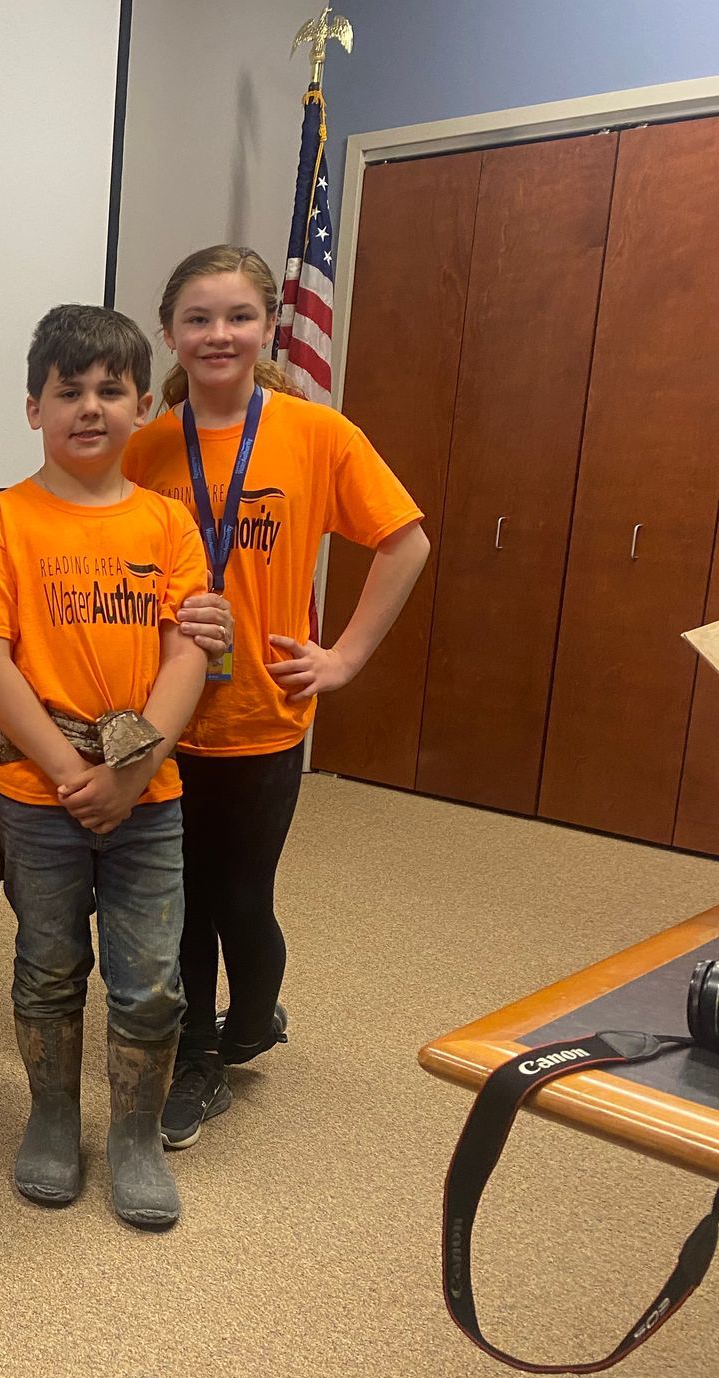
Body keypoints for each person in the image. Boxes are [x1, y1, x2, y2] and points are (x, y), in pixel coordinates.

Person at [123, 244, 429, 1147]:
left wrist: (344, 659)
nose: (219, 335)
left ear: (267, 328)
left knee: (239, 899)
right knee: (175, 902)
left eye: (238, 317)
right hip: (166, 719)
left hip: (264, 718)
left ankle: (251, 1022)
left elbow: (403, 541)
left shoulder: (315, 433)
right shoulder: (145, 447)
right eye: (198, 319)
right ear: (170, 333)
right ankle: (198, 1063)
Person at [0, 305, 208, 1226]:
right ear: (34, 409)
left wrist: (131, 776)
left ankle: (135, 1135)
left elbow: (191, 655)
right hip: (37, 792)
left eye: (111, 390)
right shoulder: (3, 520)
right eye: (70, 391)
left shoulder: (169, 524)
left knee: (149, 979)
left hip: (153, 794)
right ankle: (53, 1116)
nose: (90, 407)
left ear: (143, 405)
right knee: (48, 967)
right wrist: (71, 774)